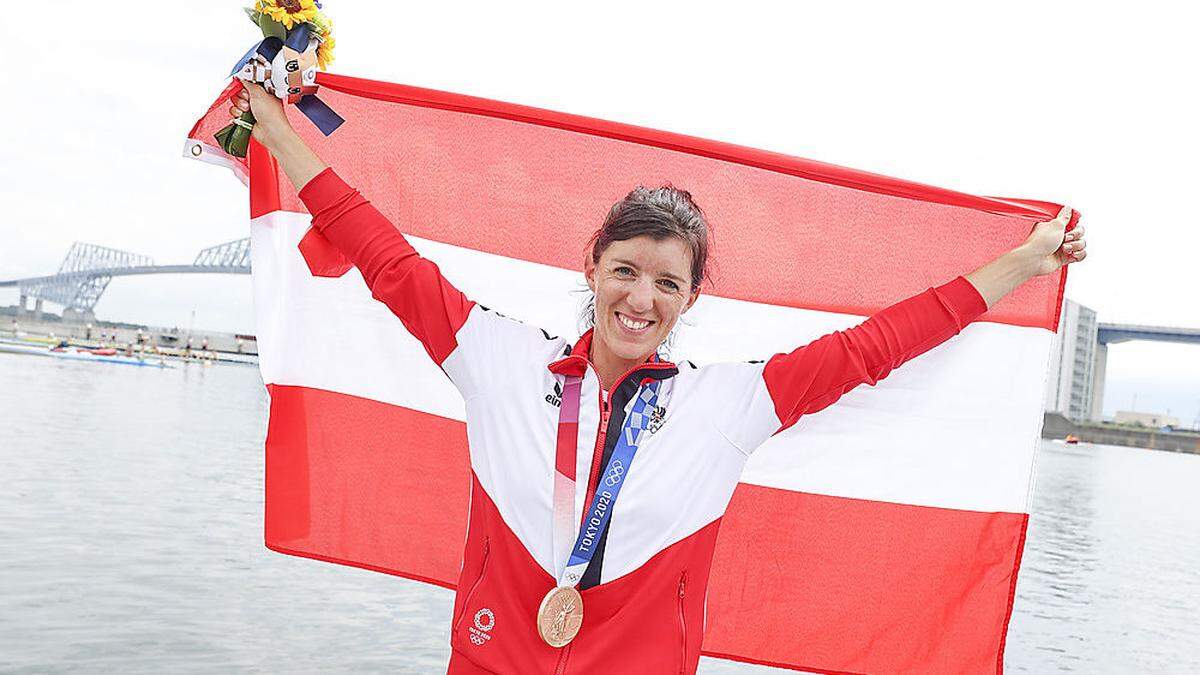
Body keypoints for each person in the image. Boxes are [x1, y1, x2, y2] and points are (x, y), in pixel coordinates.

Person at [232, 84, 1087, 674]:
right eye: (626, 270)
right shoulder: (496, 361)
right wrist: (276, 130)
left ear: (688, 299)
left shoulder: (726, 407)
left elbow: (875, 345)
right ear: (593, 268)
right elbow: (383, 255)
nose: (640, 299)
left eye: (667, 283)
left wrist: (1018, 265)